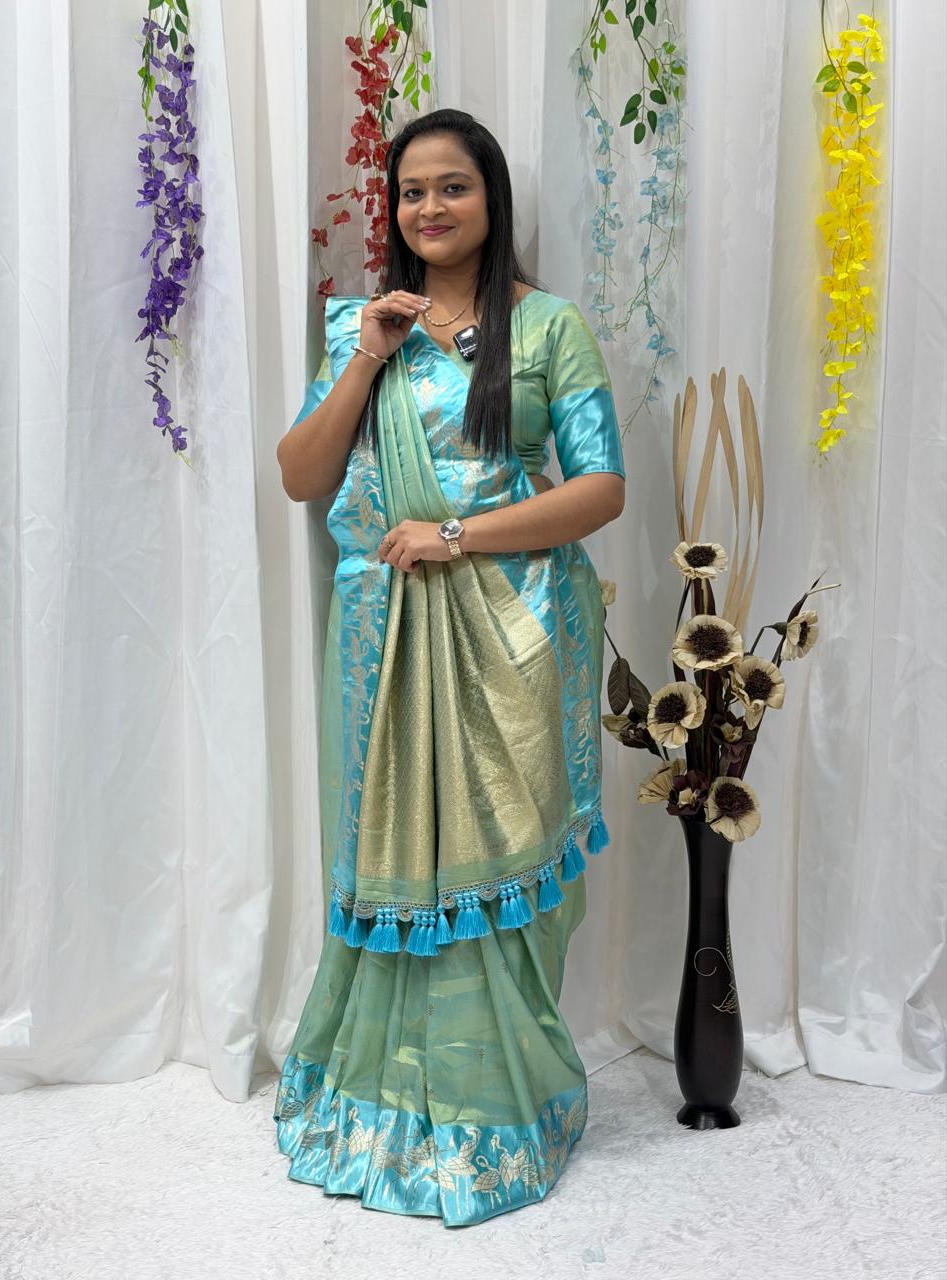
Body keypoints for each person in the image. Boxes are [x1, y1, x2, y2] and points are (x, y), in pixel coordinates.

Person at [274, 107, 625, 1227]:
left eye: (453, 187)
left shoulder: (548, 326)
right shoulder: (362, 325)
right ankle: (380, 1093)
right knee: (393, 850)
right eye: (412, 190)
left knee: (501, 850)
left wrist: (458, 536)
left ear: (492, 198)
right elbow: (301, 475)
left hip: (510, 630)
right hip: (383, 640)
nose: (430, 207)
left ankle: (498, 1103)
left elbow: (601, 488)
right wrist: (367, 353)